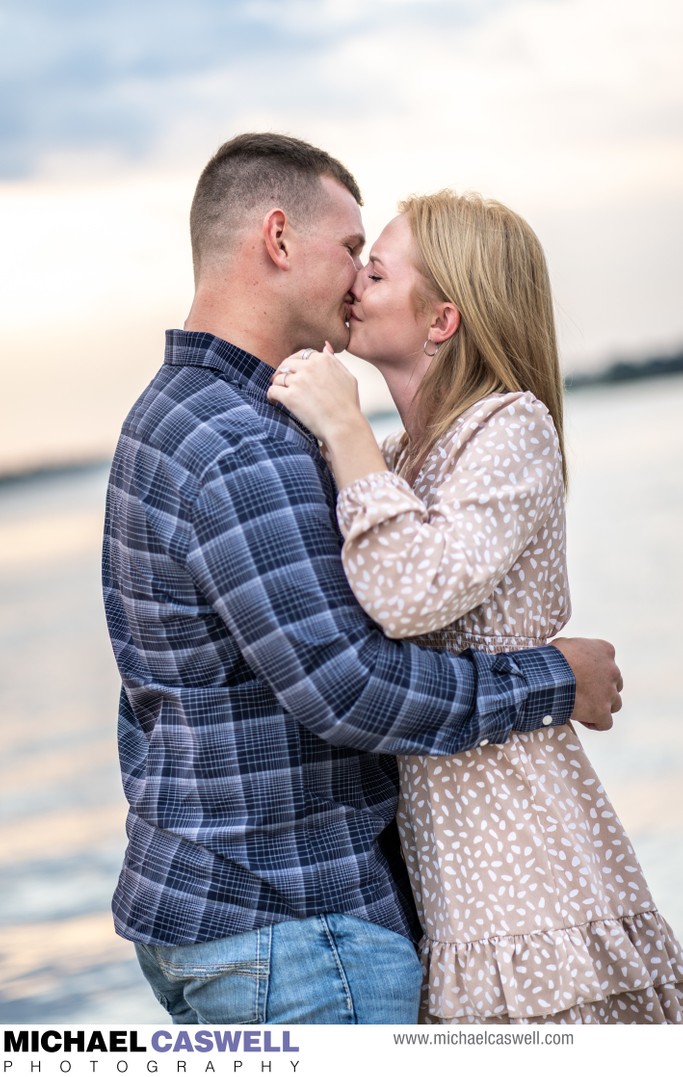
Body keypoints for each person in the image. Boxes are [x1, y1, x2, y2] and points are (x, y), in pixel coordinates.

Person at [102, 134, 624, 1026]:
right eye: (352, 251)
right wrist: (553, 679)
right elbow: (349, 687)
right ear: (277, 239)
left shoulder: (185, 413)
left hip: (234, 908)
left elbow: (158, 698)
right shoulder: (243, 440)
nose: (355, 278)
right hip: (296, 926)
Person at [268, 189, 683, 1023]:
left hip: (525, 868)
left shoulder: (511, 427)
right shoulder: (396, 458)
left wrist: (343, 429)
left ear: (441, 319)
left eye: (375, 271)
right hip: (445, 872)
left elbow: (408, 593)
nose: (352, 281)